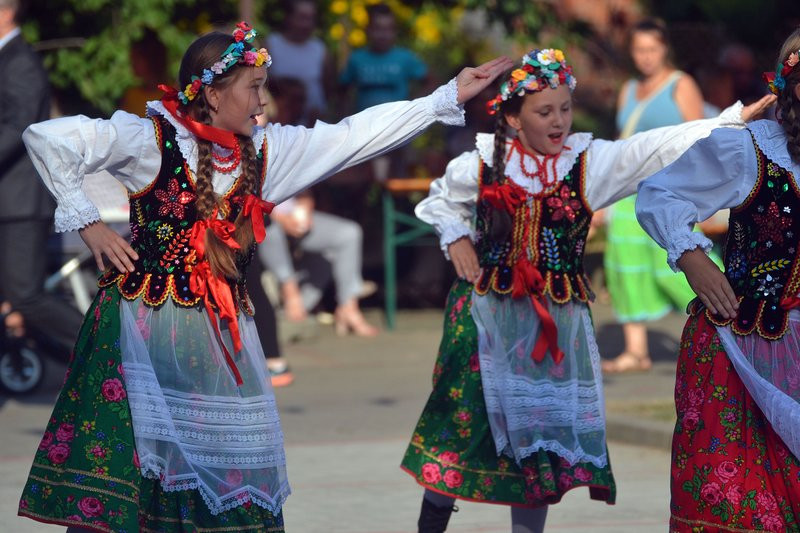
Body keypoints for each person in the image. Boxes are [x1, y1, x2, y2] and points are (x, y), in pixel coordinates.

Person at [16, 21, 512, 531]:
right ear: (212, 95)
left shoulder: (270, 151)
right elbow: (47, 138)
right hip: (138, 336)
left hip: (217, 343)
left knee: (220, 479)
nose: (263, 100)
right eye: (254, 87)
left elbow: (353, 136)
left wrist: (441, 99)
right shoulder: (149, 139)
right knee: (125, 479)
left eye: (264, 87)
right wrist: (88, 222)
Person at [399, 48, 772, 533]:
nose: (558, 121)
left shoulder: (588, 163)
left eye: (565, 108)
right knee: (459, 425)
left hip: (554, 324)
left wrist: (728, 120)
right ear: (512, 118)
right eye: (544, 112)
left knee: (540, 445)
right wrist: (456, 238)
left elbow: (651, 148)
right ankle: (431, 522)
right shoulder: (482, 164)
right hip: (485, 318)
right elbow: (442, 200)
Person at [636, 29, 800, 533]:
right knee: (741, 505)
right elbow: (660, 194)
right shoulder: (751, 149)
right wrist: (692, 257)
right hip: (743, 346)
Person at [600, 18, 707, 373]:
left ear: (664, 49)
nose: (645, 56)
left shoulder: (681, 84)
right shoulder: (629, 88)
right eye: (639, 50)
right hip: (629, 191)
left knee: (676, 264)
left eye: (652, 49)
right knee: (625, 264)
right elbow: (622, 143)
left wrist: (700, 195)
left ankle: (728, 321)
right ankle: (636, 351)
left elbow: (701, 138)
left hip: (669, 190)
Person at [260, 77, 379, 336]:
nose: (298, 106)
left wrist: (306, 205)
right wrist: (281, 218)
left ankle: (347, 306)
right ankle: (290, 294)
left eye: (301, 100)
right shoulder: (249, 139)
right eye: (292, 100)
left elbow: (304, 184)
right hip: (266, 221)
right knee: (267, 226)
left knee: (348, 234)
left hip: (295, 216)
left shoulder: (295, 135)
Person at [0, 0, 84, 360]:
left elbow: (16, 128)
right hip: (10, 200)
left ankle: (109, 348)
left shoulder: (19, 61)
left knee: (26, 296)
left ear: (7, 13)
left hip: (20, 202)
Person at [266, 0, 333, 125]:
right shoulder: (271, 45)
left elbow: (328, 88)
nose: (307, 24)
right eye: (302, 18)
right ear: (288, 18)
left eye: (311, 18)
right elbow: (263, 84)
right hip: (279, 123)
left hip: (313, 124)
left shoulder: (320, 49)